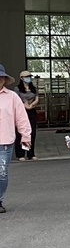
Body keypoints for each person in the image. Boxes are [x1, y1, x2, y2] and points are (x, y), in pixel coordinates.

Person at [0, 64, 32, 213]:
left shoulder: (12, 96)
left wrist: (25, 135)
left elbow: (21, 117)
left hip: (4, 141)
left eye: (2, 78)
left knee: (2, 173)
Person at [14, 71, 39, 161]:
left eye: (29, 76)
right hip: (21, 111)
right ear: (21, 78)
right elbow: (17, 99)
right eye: (26, 76)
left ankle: (30, 153)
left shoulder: (33, 88)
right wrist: (25, 105)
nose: (29, 78)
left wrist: (31, 105)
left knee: (32, 132)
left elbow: (37, 99)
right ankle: (20, 154)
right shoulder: (17, 89)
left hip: (32, 111)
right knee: (20, 132)